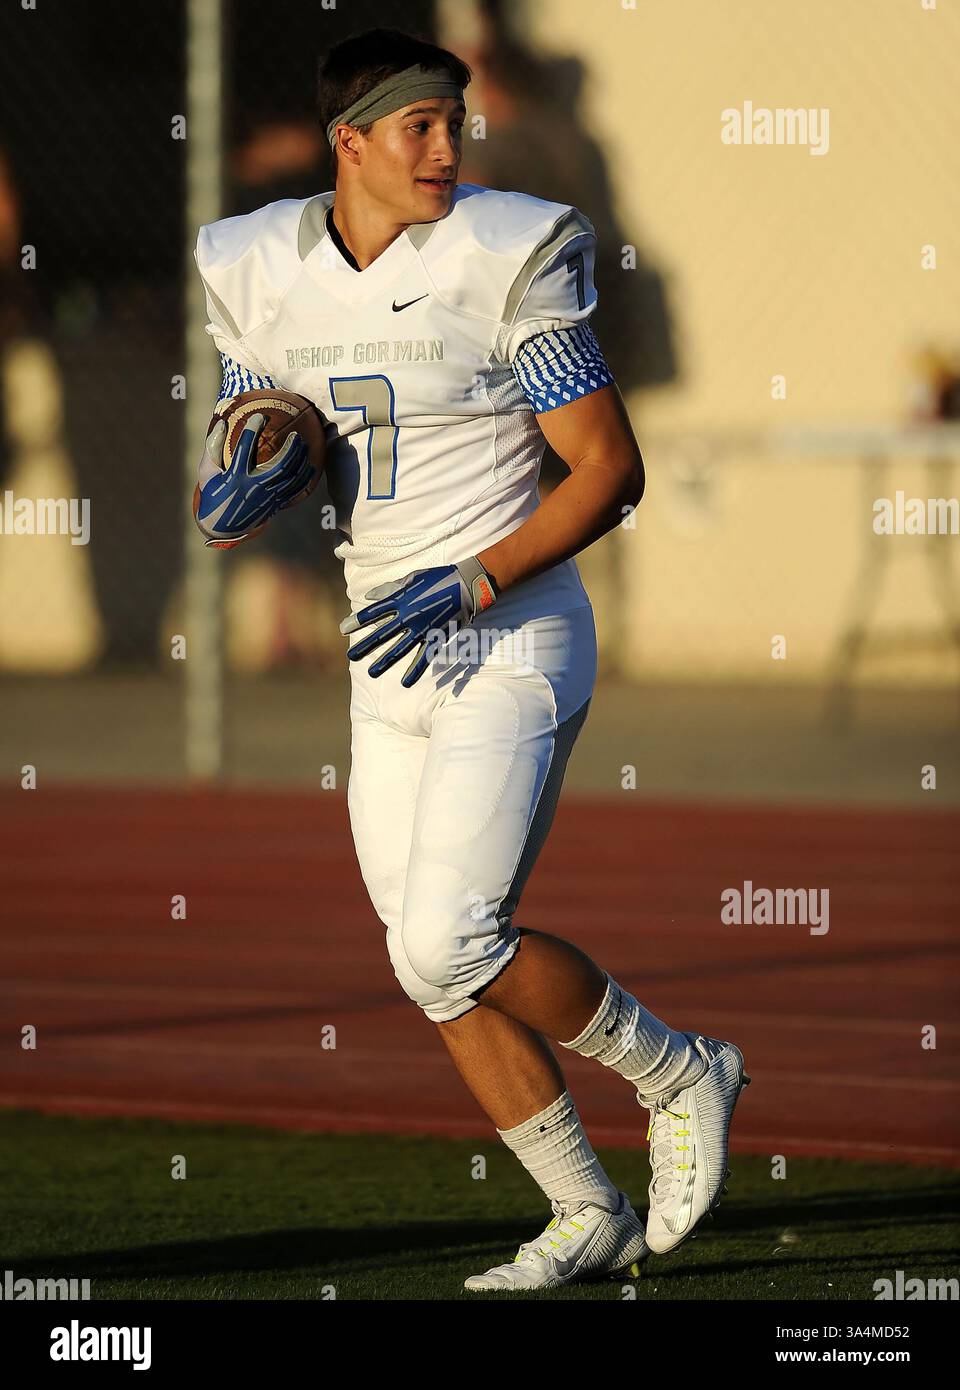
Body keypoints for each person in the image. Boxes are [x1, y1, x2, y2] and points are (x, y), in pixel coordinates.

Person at [191, 26, 749, 1293]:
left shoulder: (509, 252)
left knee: (450, 936)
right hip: (385, 643)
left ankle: (682, 1069)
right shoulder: (255, 260)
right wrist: (253, 448)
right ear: (351, 143)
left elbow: (611, 469)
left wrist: (482, 571)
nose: (448, 147)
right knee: (420, 955)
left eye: (455, 121)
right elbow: (257, 393)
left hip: (509, 627)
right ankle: (581, 1209)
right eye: (418, 126)